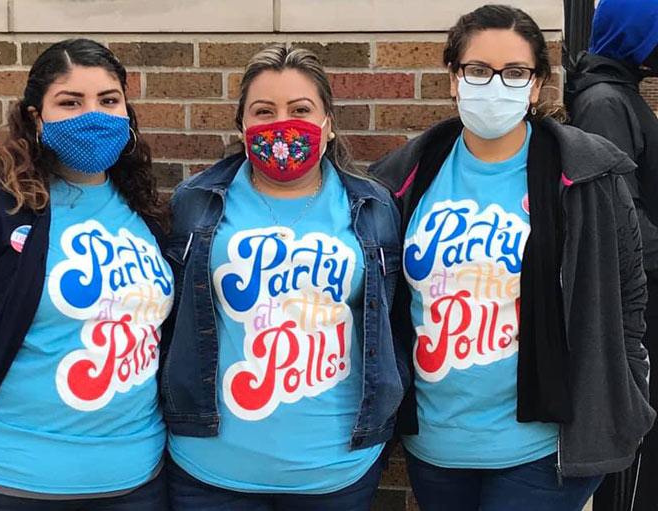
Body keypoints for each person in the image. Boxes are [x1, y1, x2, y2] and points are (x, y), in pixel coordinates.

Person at [369, 5, 655, 511]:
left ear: (537, 85)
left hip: (542, 451)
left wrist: (624, 392)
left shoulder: (588, 174)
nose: (493, 85)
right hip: (436, 447)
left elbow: (628, 293)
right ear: (454, 79)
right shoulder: (404, 177)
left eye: (515, 72)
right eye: (477, 70)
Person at [0, 39, 173, 510]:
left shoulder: (141, 210)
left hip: (135, 481)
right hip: (9, 481)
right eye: (70, 102)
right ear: (35, 116)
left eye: (108, 101)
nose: (94, 115)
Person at [161, 44, 405, 511]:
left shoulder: (374, 208)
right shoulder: (196, 201)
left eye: (300, 110)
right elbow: (170, 324)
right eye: (263, 111)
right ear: (242, 126)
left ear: (328, 124)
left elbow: (393, 325)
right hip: (209, 474)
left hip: (336, 474)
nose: (281, 123)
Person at [566, 1, 658, 508]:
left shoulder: (621, 93)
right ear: (638, 34)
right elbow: (617, 216)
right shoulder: (605, 101)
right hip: (641, 297)